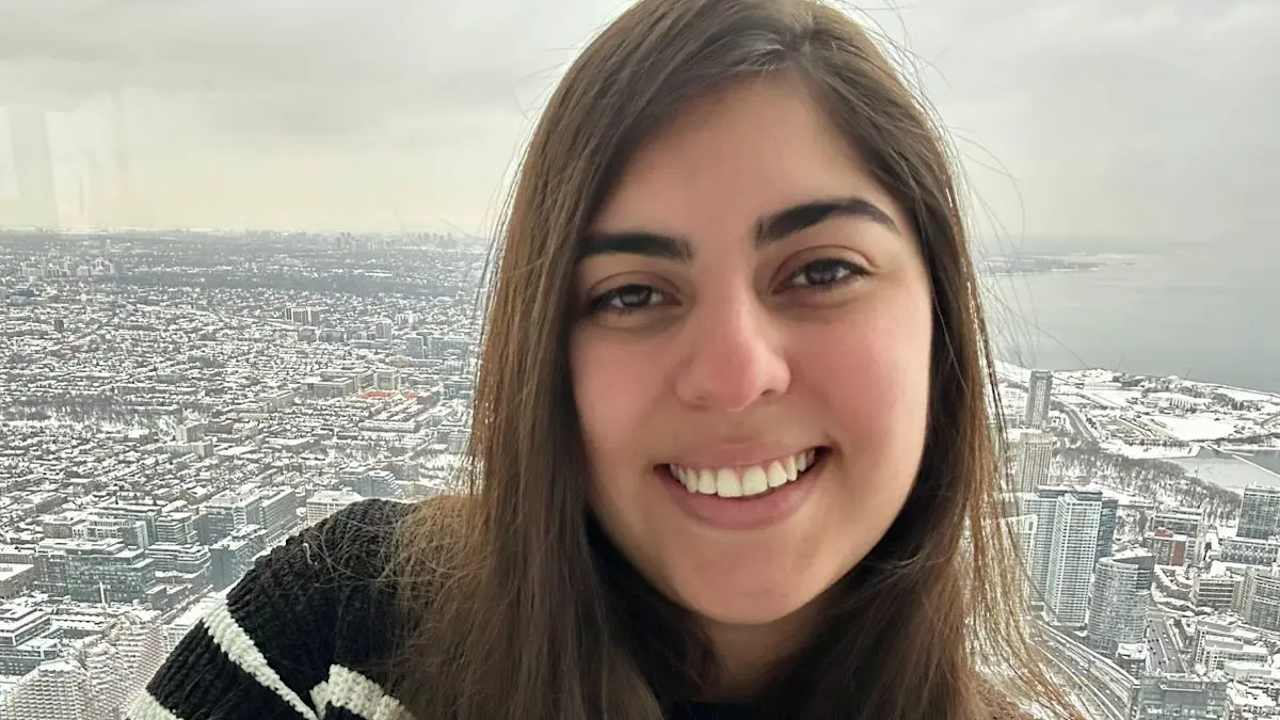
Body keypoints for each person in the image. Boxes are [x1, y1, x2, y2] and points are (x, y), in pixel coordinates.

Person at [128, 1, 1085, 718]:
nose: (733, 375)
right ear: (546, 357)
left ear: (940, 323)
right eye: (632, 293)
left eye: (822, 271)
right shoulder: (340, 627)